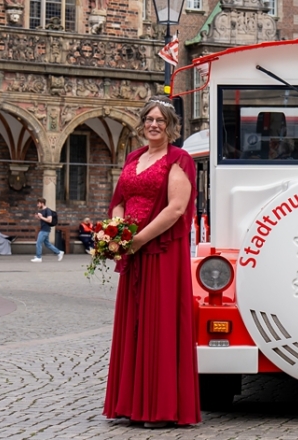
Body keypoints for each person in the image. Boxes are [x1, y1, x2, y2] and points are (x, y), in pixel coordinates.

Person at [104, 97, 201, 428]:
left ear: (171, 125)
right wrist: (117, 232)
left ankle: (159, 408)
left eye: (161, 120)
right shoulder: (134, 157)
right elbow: (119, 201)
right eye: (149, 119)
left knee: (158, 324)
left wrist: (138, 240)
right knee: (133, 323)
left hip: (160, 252)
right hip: (132, 252)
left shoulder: (180, 159)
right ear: (142, 123)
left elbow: (175, 209)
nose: (154, 124)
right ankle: (130, 403)